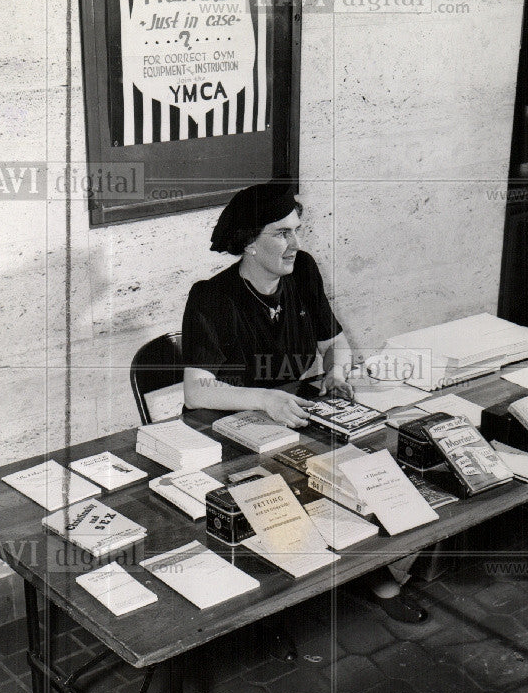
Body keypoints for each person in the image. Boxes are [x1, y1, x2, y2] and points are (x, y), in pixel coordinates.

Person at [182, 181, 427, 623]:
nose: (296, 244)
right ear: (249, 244)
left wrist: (335, 373)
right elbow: (197, 391)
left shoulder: (303, 272)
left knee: (367, 471)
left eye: (297, 230)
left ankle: (364, 572)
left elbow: (336, 342)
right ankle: (271, 610)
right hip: (229, 429)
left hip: (292, 414)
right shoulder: (211, 298)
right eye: (281, 233)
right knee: (286, 499)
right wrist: (265, 399)